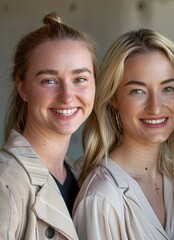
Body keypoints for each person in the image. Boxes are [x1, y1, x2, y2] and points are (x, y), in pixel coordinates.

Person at [72, 29, 174, 240]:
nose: (156, 106)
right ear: (113, 98)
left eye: (167, 88)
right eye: (137, 91)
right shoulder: (101, 198)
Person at [0, 12, 96, 239]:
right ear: (22, 88)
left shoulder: (84, 175)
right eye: (49, 81)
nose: (67, 96)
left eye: (80, 79)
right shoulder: (5, 182)